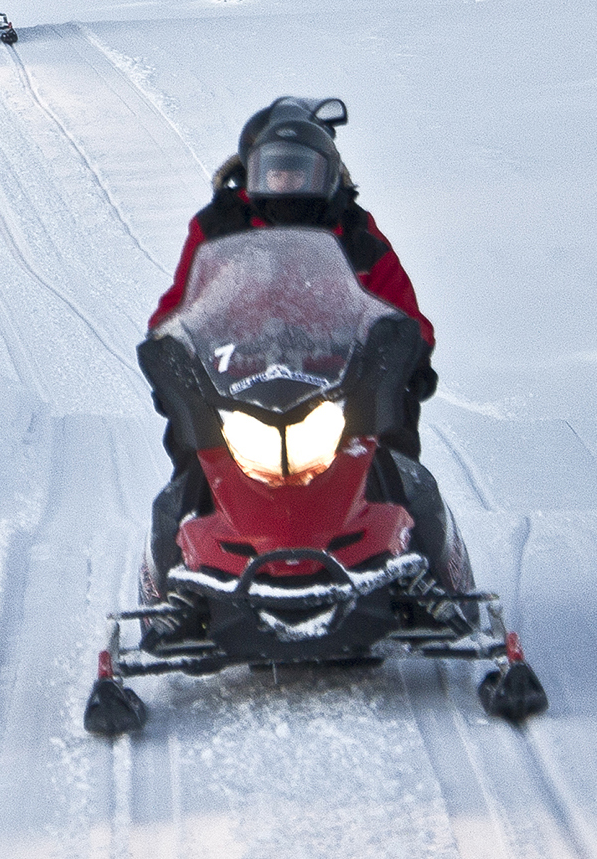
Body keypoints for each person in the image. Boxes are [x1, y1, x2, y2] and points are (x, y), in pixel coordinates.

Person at [143, 95, 438, 613]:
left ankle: (433, 583)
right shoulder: (219, 226)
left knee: (396, 463)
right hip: (239, 377)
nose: (288, 183)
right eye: (277, 172)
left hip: (338, 378)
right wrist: (171, 351)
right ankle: (175, 596)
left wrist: (412, 355)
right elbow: (181, 303)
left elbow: (400, 307)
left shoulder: (357, 231)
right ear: (252, 171)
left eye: (301, 171)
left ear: (326, 173)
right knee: (193, 467)